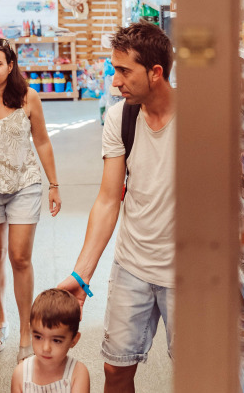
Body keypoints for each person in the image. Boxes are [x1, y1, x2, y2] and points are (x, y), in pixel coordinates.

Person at [57, 22, 176, 393]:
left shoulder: (200, 121)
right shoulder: (120, 118)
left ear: (155, 73)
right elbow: (109, 199)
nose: (114, 81)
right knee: (115, 369)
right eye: (114, 69)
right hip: (132, 266)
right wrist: (81, 275)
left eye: (124, 71)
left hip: (188, 274)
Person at [0, 37, 62, 363]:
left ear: (11, 66)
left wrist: (54, 184)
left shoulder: (28, 98)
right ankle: (1, 320)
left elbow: (43, 142)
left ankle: (23, 332)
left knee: (19, 257)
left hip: (24, 184)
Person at [11, 289, 90, 393]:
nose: (45, 348)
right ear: (31, 331)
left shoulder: (78, 373)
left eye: (56, 340)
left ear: (74, 340)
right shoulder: (20, 373)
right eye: (38, 337)